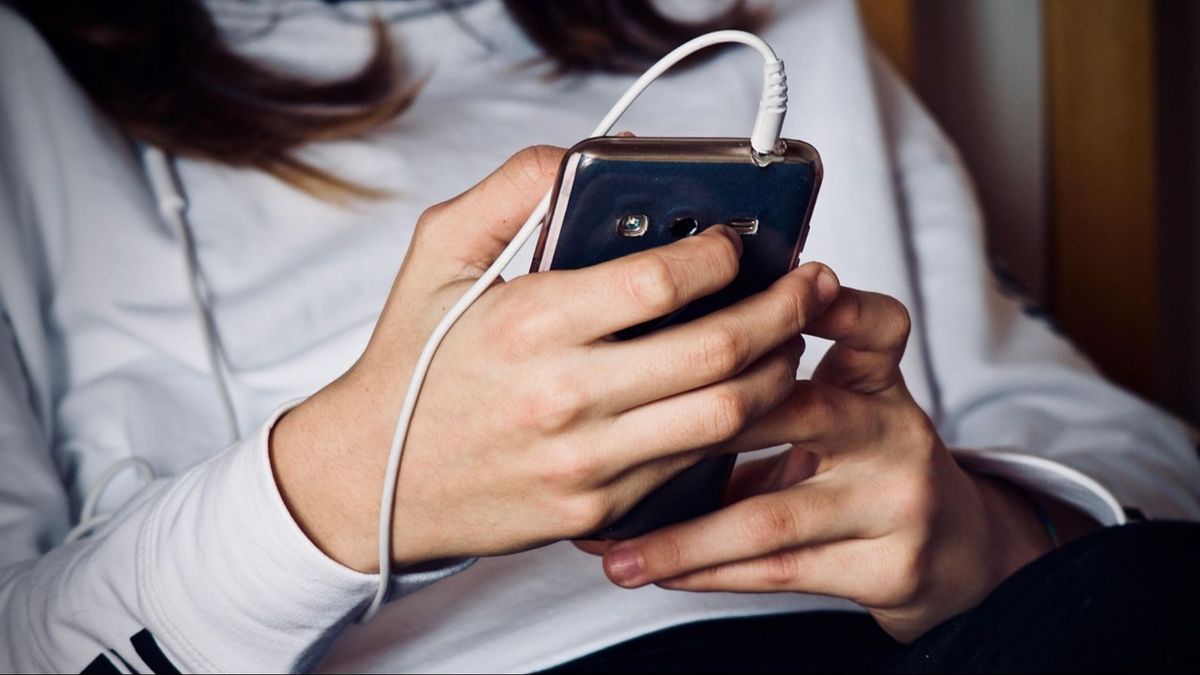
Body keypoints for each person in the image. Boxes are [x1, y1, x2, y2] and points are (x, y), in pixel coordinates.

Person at [0, 0, 1197, 672]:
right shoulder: (26, 91)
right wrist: (337, 487)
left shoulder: (768, 29)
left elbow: (1133, 459)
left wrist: (986, 531)